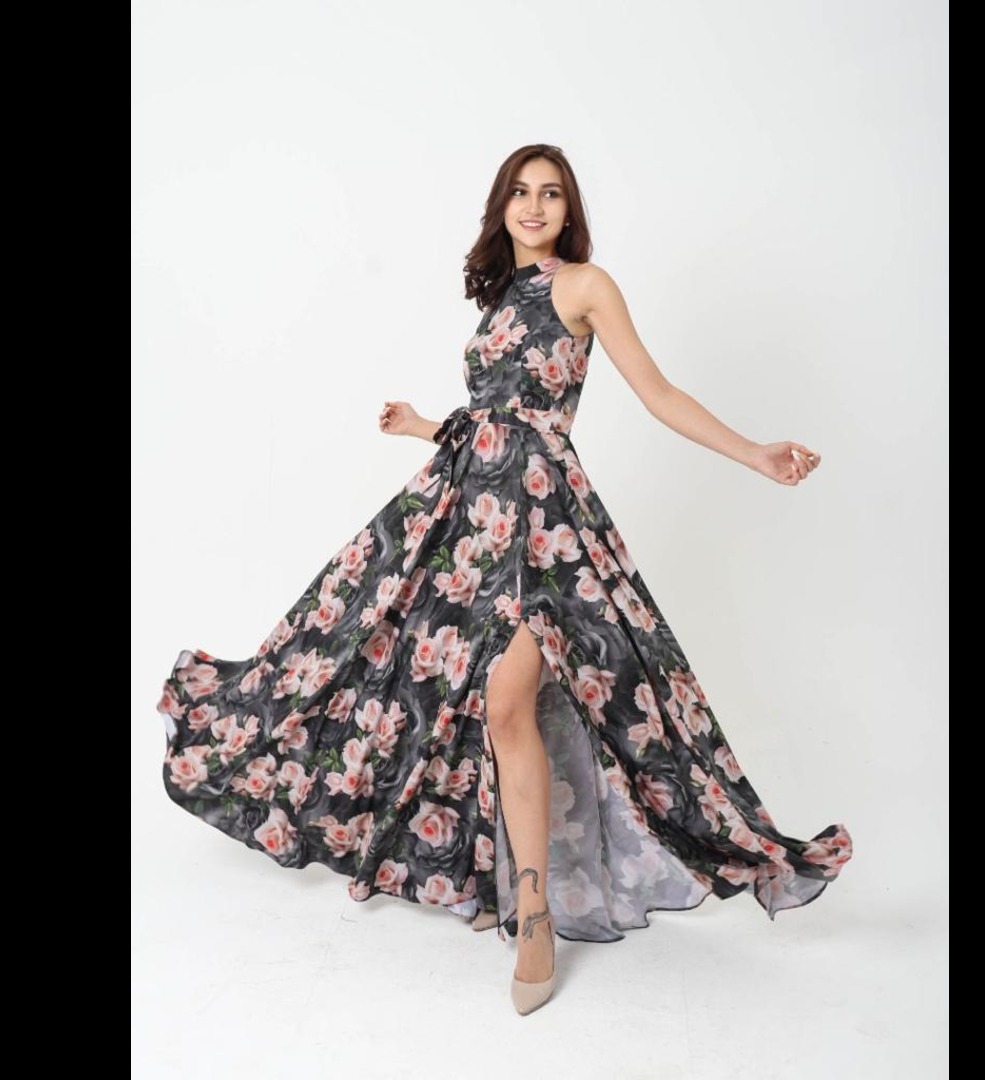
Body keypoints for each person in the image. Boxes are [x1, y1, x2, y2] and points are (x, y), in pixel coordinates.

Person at [156, 142, 853, 1017]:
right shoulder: (498, 299)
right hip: (466, 519)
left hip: (545, 523)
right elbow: (494, 417)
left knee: (506, 701)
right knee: (377, 655)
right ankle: (506, 886)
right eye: (520, 193)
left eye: (550, 194)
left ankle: (535, 920)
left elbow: (658, 393)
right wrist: (424, 426)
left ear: (569, 210)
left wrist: (755, 453)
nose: (534, 206)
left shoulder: (586, 285)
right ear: (502, 206)